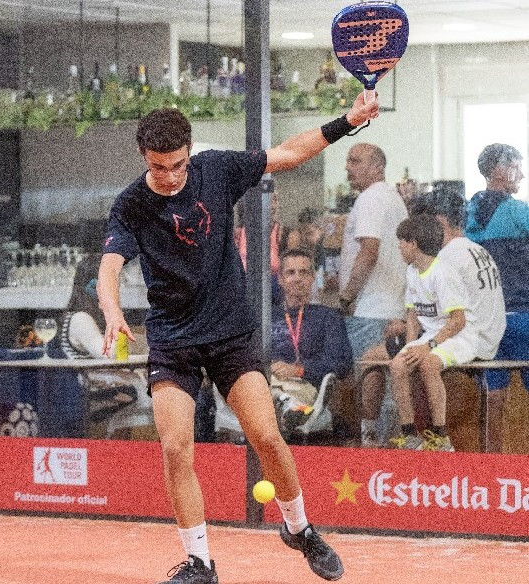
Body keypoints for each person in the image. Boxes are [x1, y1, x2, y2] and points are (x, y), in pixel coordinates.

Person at [98, 95, 378, 583]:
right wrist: (112, 312)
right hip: (173, 341)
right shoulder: (131, 204)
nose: (171, 176)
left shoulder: (216, 170)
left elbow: (288, 153)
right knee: (175, 448)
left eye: (178, 164)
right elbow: (109, 267)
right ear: (144, 157)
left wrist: (348, 121)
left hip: (229, 332)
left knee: (267, 436)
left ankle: (301, 529)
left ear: (189, 152)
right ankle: (200, 563)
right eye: (159, 167)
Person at [360, 187, 506, 450]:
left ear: (437, 222)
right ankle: (406, 432)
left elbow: (450, 316)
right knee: (404, 354)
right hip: (487, 333)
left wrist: (417, 339)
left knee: (372, 356)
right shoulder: (475, 248)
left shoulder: (444, 258)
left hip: (467, 336)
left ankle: (371, 436)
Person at [389, 214, 485, 452]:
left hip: (460, 336)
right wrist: (410, 348)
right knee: (398, 365)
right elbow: (412, 315)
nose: (399, 247)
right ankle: (409, 434)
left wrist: (427, 346)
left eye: (401, 242)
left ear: (413, 243)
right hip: (432, 336)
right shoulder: (412, 271)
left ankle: (441, 436)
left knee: (429, 364)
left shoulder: (442, 273)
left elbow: (459, 321)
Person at [338, 143, 408, 444]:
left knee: (371, 378)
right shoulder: (392, 198)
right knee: (388, 386)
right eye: (348, 161)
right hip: (391, 306)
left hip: (370, 308)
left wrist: (347, 296)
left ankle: (371, 449)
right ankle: (386, 447)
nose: (348, 167)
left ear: (377, 167)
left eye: (355, 161)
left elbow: (369, 250)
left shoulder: (370, 198)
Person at [465, 143, 529, 431]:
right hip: (522, 316)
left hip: (485, 320)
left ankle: (490, 457)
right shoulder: (519, 212)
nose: (522, 175)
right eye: (517, 167)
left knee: (493, 395)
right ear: (499, 170)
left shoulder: (467, 214)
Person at [270, 248, 353, 438]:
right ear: (280, 279)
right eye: (291, 273)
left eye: (304, 272)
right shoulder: (266, 317)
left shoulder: (327, 317)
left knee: (274, 397)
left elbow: (341, 363)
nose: (297, 278)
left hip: (304, 386)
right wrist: (268, 365)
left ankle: (287, 405)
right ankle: (286, 405)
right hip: (268, 381)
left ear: (312, 277)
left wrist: (299, 370)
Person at [62, 253, 144, 429]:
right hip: (91, 393)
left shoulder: (90, 317)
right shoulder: (80, 318)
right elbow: (111, 354)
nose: (117, 288)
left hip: (102, 387)